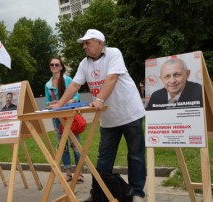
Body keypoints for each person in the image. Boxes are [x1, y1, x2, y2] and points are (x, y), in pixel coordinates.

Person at [49, 29, 146, 202]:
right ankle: (98, 194)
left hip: (130, 113)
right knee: (104, 159)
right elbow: (74, 86)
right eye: (84, 43)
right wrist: (59, 105)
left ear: (100, 43)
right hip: (108, 120)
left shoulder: (113, 53)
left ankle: (137, 193)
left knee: (135, 155)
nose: (84, 46)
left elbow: (112, 78)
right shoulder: (84, 64)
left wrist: (100, 99)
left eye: (88, 42)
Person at [45, 56, 83, 183]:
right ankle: (68, 172)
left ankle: (79, 173)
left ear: (61, 67)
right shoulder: (48, 84)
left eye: (56, 64)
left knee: (75, 145)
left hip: (70, 116)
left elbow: (77, 96)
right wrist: (51, 103)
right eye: (52, 65)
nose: (54, 67)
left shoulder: (68, 79)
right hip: (57, 118)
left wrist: (68, 101)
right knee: (62, 146)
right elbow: (46, 102)